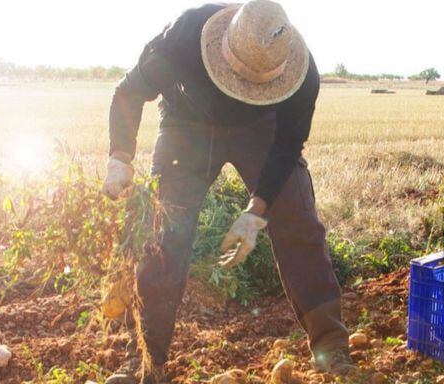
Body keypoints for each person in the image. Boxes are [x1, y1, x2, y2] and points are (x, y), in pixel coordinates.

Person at [102, 1, 354, 383]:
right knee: (163, 232)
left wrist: (258, 208)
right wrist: (120, 156)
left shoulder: (302, 75)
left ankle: (331, 348)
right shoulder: (183, 37)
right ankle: (145, 362)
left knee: (298, 219)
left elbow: (287, 147)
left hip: (260, 128)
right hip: (188, 126)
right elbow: (129, 90)